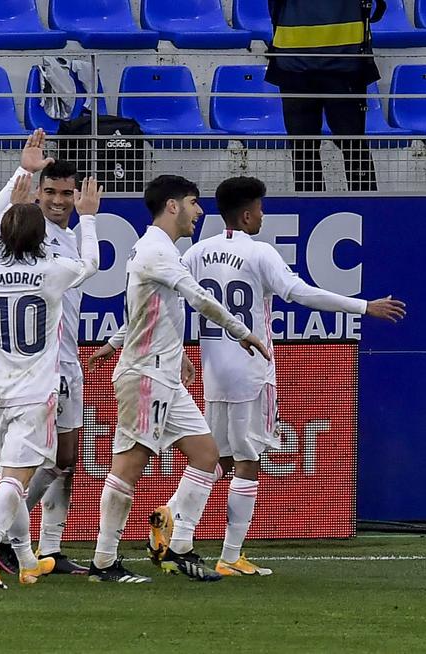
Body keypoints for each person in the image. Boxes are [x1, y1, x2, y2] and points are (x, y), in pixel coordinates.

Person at [179, 176, 405, 576]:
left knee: (213, 459)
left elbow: (168, 298)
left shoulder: (196, 252)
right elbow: (300, 293)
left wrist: (176, 350)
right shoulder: (259, 253)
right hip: (252, 369)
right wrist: (363, 306)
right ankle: (230, 557)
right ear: (248, 214)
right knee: (247, 462)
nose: (263, 216)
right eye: (261, 209)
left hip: (213, 371)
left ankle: (177, 528)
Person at [86, 175, 271, 584]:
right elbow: (198, 298)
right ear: (172, 206)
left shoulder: (158, 249)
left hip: (165, 373)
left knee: (208, 456)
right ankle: (103, 562)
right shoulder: (155, 249)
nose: (199, 212)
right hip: (146, 375)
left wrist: (122, 342)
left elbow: (149, 310)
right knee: (129, 465)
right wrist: (242, 332)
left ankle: (175, 543)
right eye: (192, 202)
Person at [0, 174, 101, 589]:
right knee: (17, 479)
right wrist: (90, 218)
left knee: (18, 474)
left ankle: (27, 560)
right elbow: (92, 264)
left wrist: (10, 207)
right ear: (42, 236)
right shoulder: (52, 271)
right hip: (36, 393)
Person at [0, 129, 90, 576]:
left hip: (67, 358)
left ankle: (45, 547)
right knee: (48, 460)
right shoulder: (27, 231)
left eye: (66, 193)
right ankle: (9, 540)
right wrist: (21, 173)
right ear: (38, 193)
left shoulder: (70, 238)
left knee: (66, 461)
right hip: (41, 370)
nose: (59, 201)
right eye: (50, 191)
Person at [265, 0, 383, 192]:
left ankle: (314, 207)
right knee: (349, 147)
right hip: (341, 63)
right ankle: (364, 206)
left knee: (307, 149)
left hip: (300, 63)